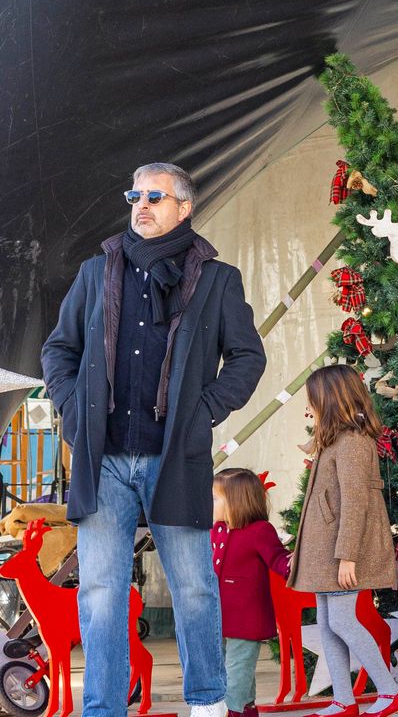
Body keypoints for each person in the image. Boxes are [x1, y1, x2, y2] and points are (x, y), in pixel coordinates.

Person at [41, 162, 268, 717]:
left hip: (175, 456)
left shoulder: (217, 280)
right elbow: (58, 351)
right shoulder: (96, 273)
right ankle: (104, 708)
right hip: (104, 459)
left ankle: (208, 701)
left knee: (193, 588)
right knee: (99, 594)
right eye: (135, 195)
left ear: (184, 208)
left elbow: (247, 357)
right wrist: (73, 410)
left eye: (156, 197)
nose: (141, 205)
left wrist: (203, 413)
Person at [290, 367, 398, 717]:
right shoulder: (333, 440)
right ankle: (343, 699)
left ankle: (389, 690)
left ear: (329, 399)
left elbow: (356, 502)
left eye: (313, 399)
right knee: (327, 623)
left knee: (342, 621)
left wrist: (348, 557)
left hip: (342, 552)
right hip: (326, 552)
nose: (309, 406)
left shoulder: (353, 442)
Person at [212, 469, 292, 717]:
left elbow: (278, 560)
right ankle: (246, 709)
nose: (209, 504)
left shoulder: (259, 530)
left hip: (247, 619)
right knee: (228, 669)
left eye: (214, 499)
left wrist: (295, 564)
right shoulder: (216, 530)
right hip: (220, 617)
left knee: (237, 669)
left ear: (236, 501)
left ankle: (232, 711)